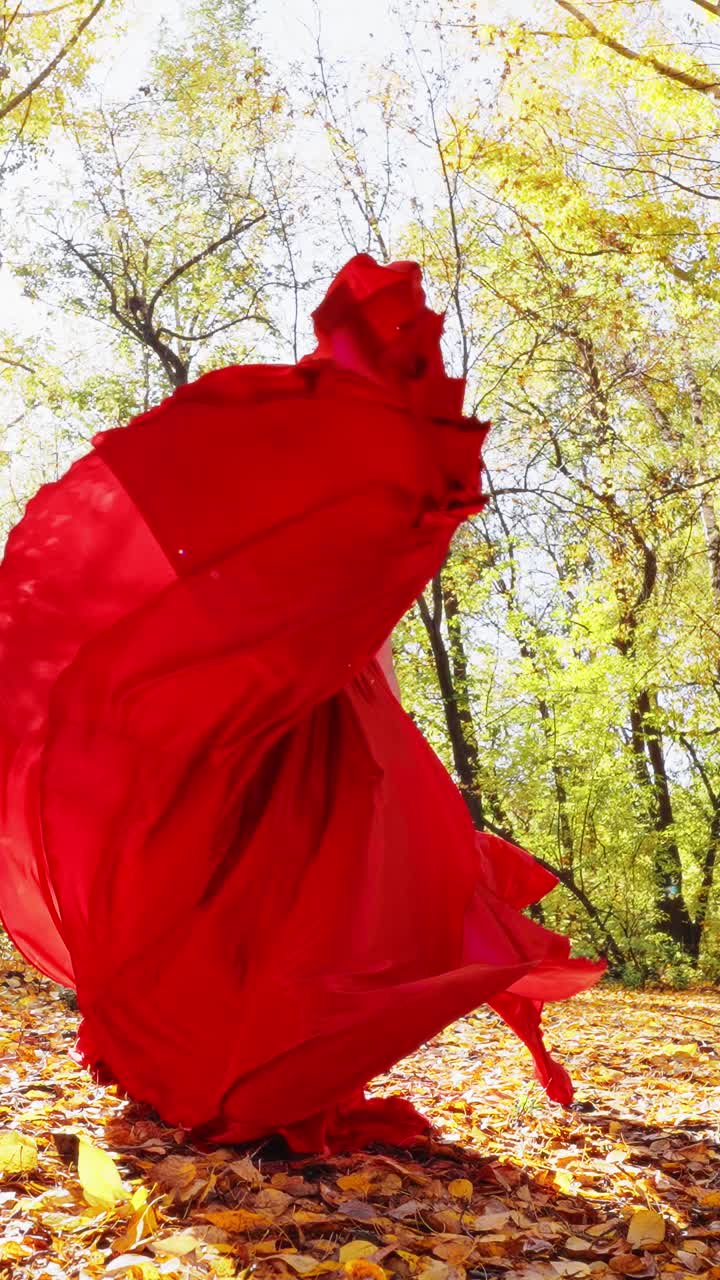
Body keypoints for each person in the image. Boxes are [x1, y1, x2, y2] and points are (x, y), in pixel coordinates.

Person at [0, 255, 604, 1153]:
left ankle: (247, 1069)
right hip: (280, 718)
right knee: (234, 879)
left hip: (319, 724)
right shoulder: (262, 617)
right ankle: (214, 1064)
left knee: (298, 886)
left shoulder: (332, 613)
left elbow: (364, 602)